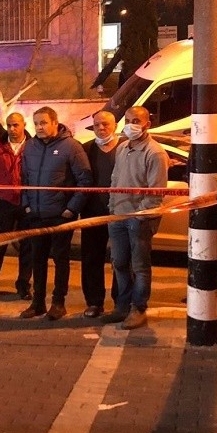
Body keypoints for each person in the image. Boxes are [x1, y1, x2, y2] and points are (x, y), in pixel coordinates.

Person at [19, 106, 92, 320]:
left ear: (55, 123)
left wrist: (71, 209)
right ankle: (38, 303)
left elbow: (85, 180)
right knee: (37, 260)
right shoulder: (30, 146)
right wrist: (27, 205)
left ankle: (58, 302)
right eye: (36, 123)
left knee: (60, 260)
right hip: (36, 215)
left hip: (60, 215)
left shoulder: (71, 147)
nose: (39, 127)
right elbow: (25, 180)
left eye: (43, 123)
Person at [103, 106, 168, 329]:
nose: (131, 125)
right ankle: (122, 307)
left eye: (136, 121)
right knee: (119, 262)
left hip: (140, 219)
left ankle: (138, 308)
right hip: (118, 217)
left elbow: (155, 193)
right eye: (128, 120)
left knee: (140, 266)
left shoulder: (155, 153)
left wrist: (137, 214)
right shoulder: (122, 148)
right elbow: (115, 180)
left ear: (147, 124)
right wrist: (113, 209)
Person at [0, 112, 32, 300]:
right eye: (9, 125)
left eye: (16, 125)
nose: (12, 129)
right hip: (3, 202)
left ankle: (23, 285)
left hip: (27, 202)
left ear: (24, 124)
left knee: (27, 246)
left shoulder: (34, 146)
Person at [79, 110, 123, 317]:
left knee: (121, 259)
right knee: (91, 258)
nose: (101, 128)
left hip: (120, 213)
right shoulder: (86, 149)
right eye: (97, 125)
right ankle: (94, 302)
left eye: (105, 124)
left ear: (115, 125)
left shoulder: (125, 148)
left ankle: (120, 302)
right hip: (92, 213)